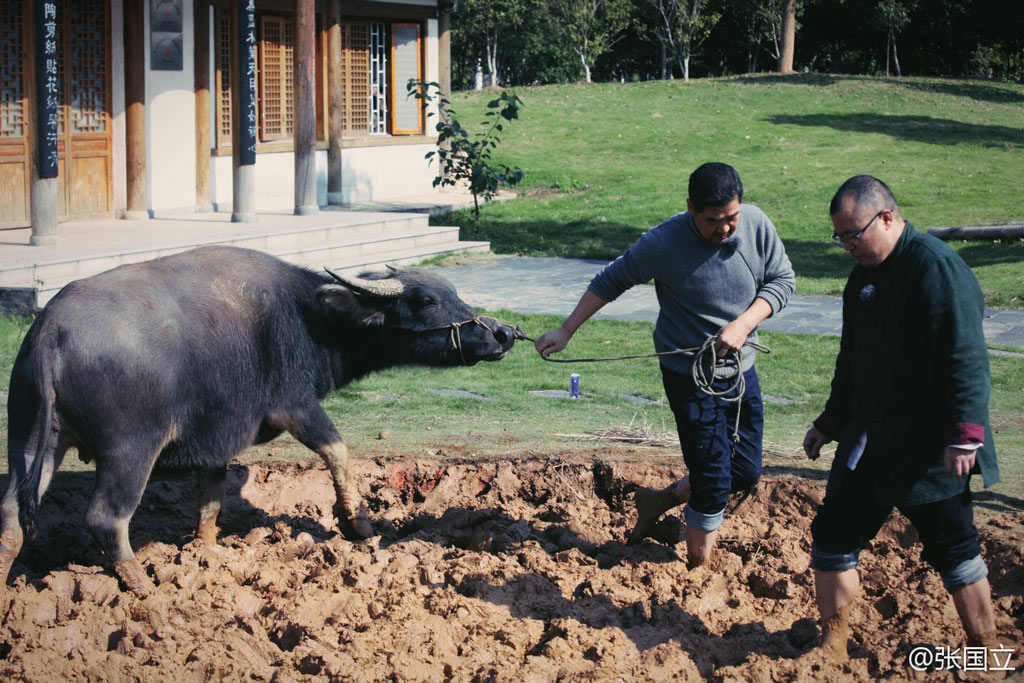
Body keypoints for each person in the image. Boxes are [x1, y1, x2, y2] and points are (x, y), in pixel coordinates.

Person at [534, 162, 795, 568]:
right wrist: (566, 330)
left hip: (741, 372)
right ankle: (697, 568)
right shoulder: (663, 242)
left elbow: (782, 280)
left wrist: (744, 324)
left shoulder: (757, 224)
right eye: (714, 221)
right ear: (691, 207)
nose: (725, 229)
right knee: (712, 479)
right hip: (689, 375)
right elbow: (609, 280)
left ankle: (659, 499)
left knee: (744, 471)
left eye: (732, 218)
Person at [803, 175, 1001, 663]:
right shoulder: (862, 277)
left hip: (931, 446)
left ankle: (988, 653)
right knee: (832, 536)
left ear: (887, 217)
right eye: (840, 237)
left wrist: (966, 437)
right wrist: (830, 423)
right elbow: (851, 362)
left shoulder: (936, 268)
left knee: (955, 549)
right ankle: (834, 643)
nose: (848, 246)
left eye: (855, 234)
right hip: (869, 439)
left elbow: (966, 357)